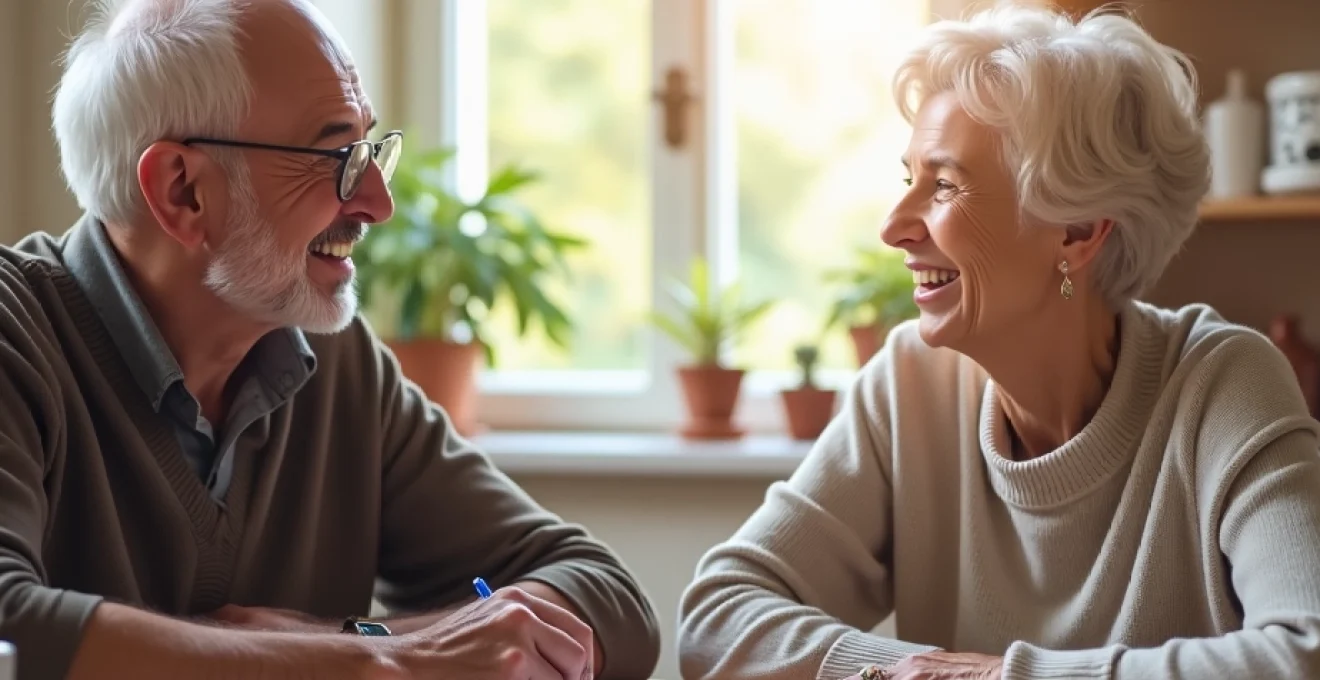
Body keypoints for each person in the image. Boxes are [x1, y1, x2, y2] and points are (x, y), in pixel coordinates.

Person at [0, 0, 661, 679]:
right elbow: (7, 625)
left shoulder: (331, 361)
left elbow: (607, 600)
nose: (377, 199)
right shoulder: (15, 331)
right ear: (182, 192)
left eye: (371, 148)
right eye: (336, 155)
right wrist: (384, 662)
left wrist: (354, 636)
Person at [678, 4, 1320, 680]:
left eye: (945, 185)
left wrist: (991, 678)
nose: (894, 226)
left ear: (1076, 232)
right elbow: (716, 621)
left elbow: (1307, 652)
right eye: (910, 181)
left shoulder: (1225, 384)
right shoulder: (909, 385)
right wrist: (909, 670)